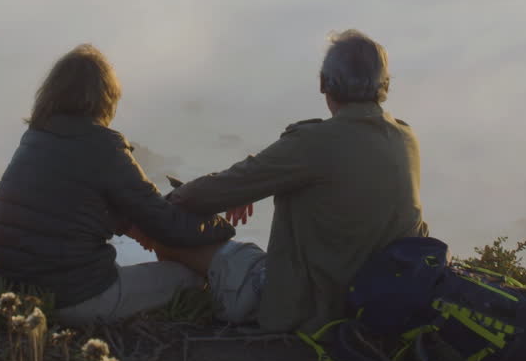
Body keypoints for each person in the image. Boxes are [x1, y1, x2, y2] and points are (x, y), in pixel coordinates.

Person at [163, 29, 428, 333]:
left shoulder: (314, 142)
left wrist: (175, 197)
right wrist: (252, 184)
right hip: (384, 306)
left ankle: (175, 306)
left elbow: (200, 197)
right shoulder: (406, 137)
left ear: (323, 83)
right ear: (385, 85)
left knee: (166, 223)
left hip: (313, 310)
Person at [0, 44, 233, 325]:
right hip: (71, 299)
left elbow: (77, 206)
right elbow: (167, 225)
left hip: (6, 291)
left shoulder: (36, 137)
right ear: (105, 97)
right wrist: (220, 226)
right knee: (188, 278)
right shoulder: (103, 146)